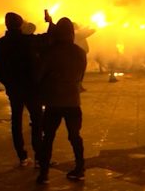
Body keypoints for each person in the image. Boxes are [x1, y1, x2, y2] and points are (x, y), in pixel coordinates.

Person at [35, 17, 87, 184]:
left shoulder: (50, 52)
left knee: (48, 137)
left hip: (53, 101)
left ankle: (44, 173)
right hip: (72, 100)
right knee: (75, 136)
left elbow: (38, 75)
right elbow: (81, 76)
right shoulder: (80, 52)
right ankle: (80, 168)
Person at [0, 12, 43, 167]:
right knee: (37, 121)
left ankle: (22, 157)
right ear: (20, 25)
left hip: (14, 90)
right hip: (32, 88)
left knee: (16, 122)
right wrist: (50, 22)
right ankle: (39, 157)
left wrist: (9, 83)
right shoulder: (30, 41)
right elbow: (49, 38)